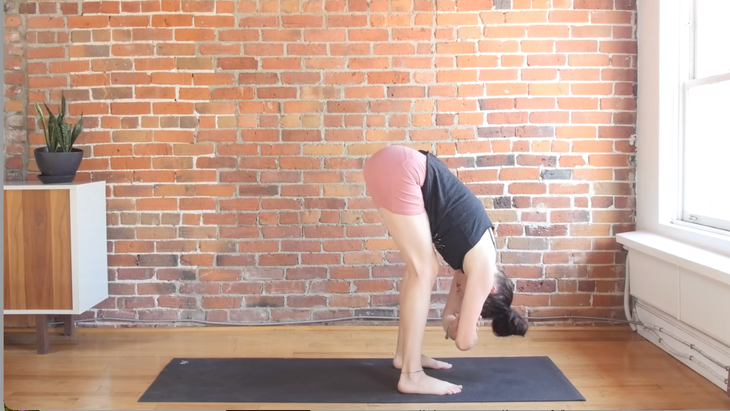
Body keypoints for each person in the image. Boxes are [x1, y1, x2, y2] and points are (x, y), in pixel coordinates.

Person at [363, 145, 529, 396]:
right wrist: (469, 325)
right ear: (490, 290)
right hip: (403, 169)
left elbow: (447, 318)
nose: (460, 291)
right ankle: (412, 376)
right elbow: (464, 342)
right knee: (425, 268)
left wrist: (458, 321)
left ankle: (405, 356)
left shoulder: (468, 265)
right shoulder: (484, 267)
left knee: (418, 267)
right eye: (469, 295)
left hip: (391, 166)